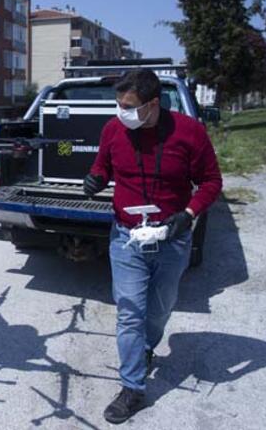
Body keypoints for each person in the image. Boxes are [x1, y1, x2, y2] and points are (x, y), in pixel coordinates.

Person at [82, 69, 222, 424]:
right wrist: (96, 179)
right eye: (118, 104)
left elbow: (211, 181)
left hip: (171, 237)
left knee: (159, 309)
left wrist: (188, 214)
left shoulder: (189, 132)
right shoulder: (114, 129)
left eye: (128, 106)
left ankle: (146, 348)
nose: (121, 112)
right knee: (130, 311)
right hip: (126, 236)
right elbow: (103, 166)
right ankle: (133, 388)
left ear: (153, 104)